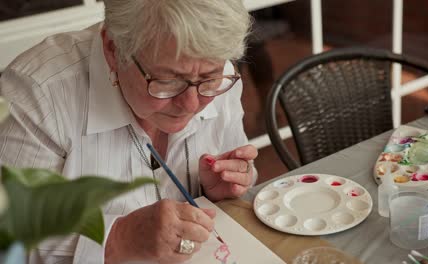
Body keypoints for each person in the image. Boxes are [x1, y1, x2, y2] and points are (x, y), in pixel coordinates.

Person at [0, 0, 257, 263]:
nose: (191, 105)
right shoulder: (37, 95)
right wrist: (117, 239)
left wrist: (219, 187)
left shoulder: (217, 73)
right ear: (113, 48)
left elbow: (237, 180)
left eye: (209, 77)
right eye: (168, 80)